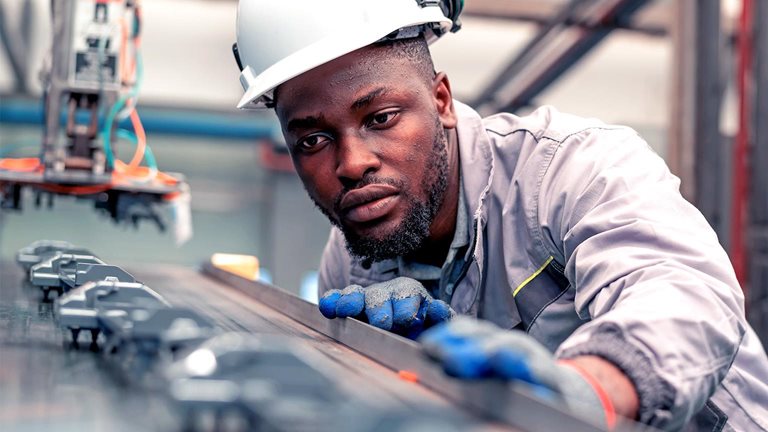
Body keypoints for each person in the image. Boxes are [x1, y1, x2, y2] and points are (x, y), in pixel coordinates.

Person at [233, 0, 768, 430]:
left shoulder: (568, 167)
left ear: (441, 100)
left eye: (381, 117)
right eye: (313, 140)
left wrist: (590, 389)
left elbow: (684, 294)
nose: (351, 164)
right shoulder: (354, 266)